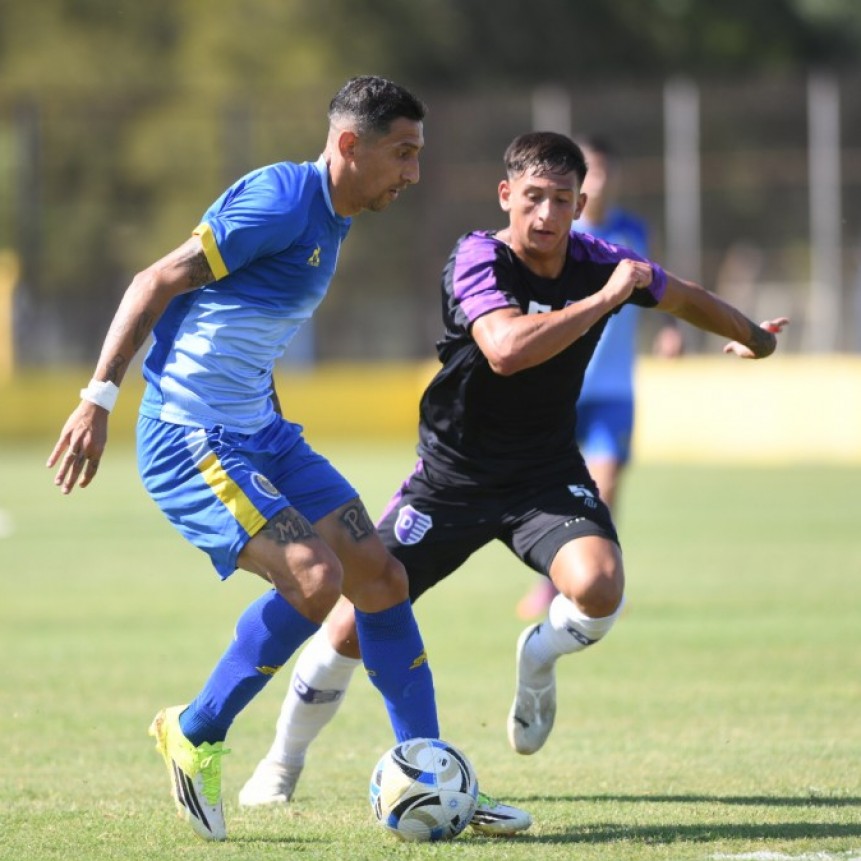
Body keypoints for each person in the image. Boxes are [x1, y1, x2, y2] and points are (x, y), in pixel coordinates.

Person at [238, 132, 788, 809]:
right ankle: (281, 762)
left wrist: (753, 336)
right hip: (451, 477)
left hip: (542, 472)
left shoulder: (599, 260)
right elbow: (502, 349)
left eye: (562, 200)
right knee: (352, 622)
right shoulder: (477, 256)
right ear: (506, 196)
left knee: (599, 587)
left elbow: (678, 294)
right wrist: (604, 301)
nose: (547, 215)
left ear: (581, 203)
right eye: (533, 198)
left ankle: (537, 657)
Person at [46, 76, 526, 842]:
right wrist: (97, 399)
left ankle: (432, 772)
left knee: (382, 573)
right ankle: (195, 730)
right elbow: (155, 279)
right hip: (191, 437)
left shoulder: (336, 218)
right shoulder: (278, 200)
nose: (412, 173)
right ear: (348, 146)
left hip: (262, 433)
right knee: (314, 578)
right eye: (401, 154)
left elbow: (241, 327)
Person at [515, 134, 683, 620]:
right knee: (552, 489)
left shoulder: (632, 231)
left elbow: (662, 287)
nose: (602, 179)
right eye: (594, 170)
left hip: (613, 390)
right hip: (559, 390)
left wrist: (670, 329)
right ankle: (555, 579)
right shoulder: (555, 237)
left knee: (603, 486)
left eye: (607, 170)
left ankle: (598, 578)